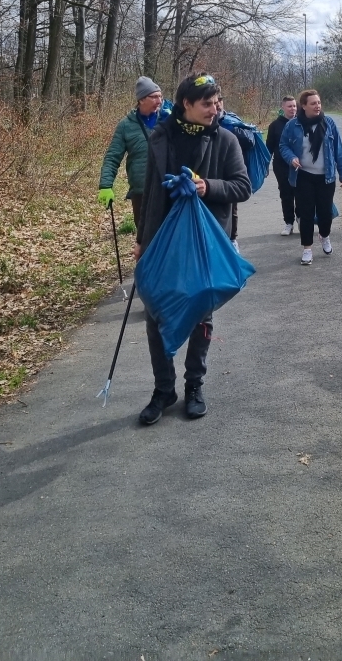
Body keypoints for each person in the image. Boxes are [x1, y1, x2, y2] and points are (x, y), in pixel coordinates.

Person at [133, 73, 251, 424]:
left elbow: (242, 186)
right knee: (156, 311)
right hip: (163, 240)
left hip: (205, 241)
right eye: (207, 104)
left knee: (201, 313)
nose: (215, 110)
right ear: (186, 104)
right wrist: (141, 240)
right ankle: (163, 389)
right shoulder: (161, 137)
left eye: (216, 103)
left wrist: (206, 187)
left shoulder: (225, 139)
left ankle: (194, 384)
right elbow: (150, 193)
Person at [279, 89, 342, 265]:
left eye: (319, 103)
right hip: (303, 176)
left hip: (326, 177)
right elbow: (283, 145)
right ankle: (307, 249)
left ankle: (324, 235)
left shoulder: (329, 123)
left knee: (325, 213)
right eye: (313, 103)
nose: (317, 106)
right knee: (306, 213)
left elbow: (338, 149)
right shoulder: (293, 125)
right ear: (304, 106)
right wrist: (291, 158)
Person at [98, 76, 163, 229]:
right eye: (154, 97)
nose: (159, 101)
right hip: (141, 192)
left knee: (170, 237)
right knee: (145, 236)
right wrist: (105, 185)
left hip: (167, 188)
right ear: (141, 100)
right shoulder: (125, 125)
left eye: (160, 96)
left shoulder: (168, 119)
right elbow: (112, 157)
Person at [215, 95, 254, 253]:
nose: (217, 105)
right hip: (212, 172)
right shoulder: (203, 122)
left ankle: (232, 239)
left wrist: (233, 131)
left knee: (232, 208)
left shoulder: (232, 120)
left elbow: (250, 140)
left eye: (219, 101)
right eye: (214, 102)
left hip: (231, 171)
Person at [266, 95, 298, 235]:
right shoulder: (275, 125)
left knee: (301, 193)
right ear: (283, 107)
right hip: (281, 166)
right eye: (289, 106)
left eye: (294, 106)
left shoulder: (301, 123)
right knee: (286, 194)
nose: (293, 109)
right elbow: (269, 148)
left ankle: (301, 218)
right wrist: (265, 166)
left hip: (300, 165)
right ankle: (289, 223)